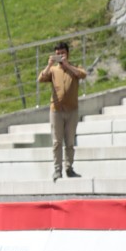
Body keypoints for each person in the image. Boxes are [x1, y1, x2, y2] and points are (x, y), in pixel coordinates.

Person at [37, 41, 88, 182]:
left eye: (63, 53)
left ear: (68, 53)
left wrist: (67, 65)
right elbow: (40, 78)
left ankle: (69, 167)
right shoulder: (53, 70)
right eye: (58, 54)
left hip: (72, 110)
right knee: (57, 142)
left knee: (70, 141)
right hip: (56, 111)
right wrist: (49, 64)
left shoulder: (74, 67)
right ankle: (57, 169)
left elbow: (82, 74)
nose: (60, 56)